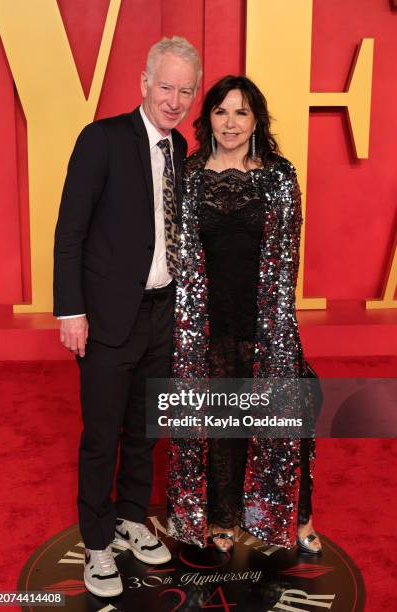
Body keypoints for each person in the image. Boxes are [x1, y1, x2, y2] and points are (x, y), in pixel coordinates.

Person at [53, 36, 201, 597]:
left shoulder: (181, 148)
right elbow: (70, 233)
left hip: (162, 312)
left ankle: (132, 517)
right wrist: (72, 310)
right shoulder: (102, 140)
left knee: (145, 428)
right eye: (165, 87)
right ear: (143, 83)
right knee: (101, 433)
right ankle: (96, 544)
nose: (174, 100)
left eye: (185, 91)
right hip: (108, 316)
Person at [167, 75, 321, 555]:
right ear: (207, 117)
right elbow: (178, 253)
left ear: (256, 120)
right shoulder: (189, 174)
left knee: (285, 412)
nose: (230, 123)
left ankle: (294, 517)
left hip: (265, 319)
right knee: (219, 420)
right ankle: (222, 516)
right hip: (205, 322)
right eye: (220, 111)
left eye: (240, 112)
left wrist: (278, 326)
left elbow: (287, 254)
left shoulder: (278, 174)